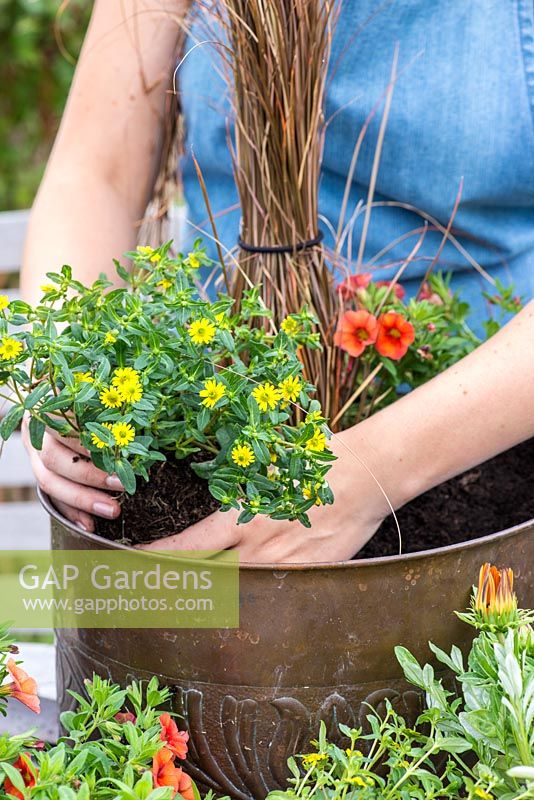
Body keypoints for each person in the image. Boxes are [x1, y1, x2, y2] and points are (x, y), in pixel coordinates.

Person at [21, 0, 534, 562]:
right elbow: (96, 172)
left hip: (477, 449)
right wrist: (65, 373)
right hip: (212, 429)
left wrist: (363, 475)